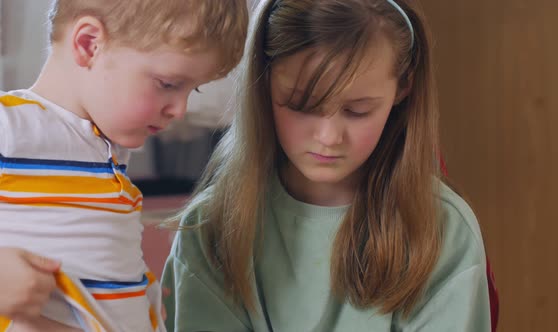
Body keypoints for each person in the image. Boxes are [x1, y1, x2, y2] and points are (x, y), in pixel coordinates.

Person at [162, 0, 492, 331]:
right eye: (301, 105)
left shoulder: (443, 229)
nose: (329, 136)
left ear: (403, 88)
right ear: (262, 82)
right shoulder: (210, 228)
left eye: (358, 111)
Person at [0, 0, 248, 331]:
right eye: (168, 83)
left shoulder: (105, 153)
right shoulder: (12, 124)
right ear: (89, 44)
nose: (180, 109)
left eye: (193, 88)